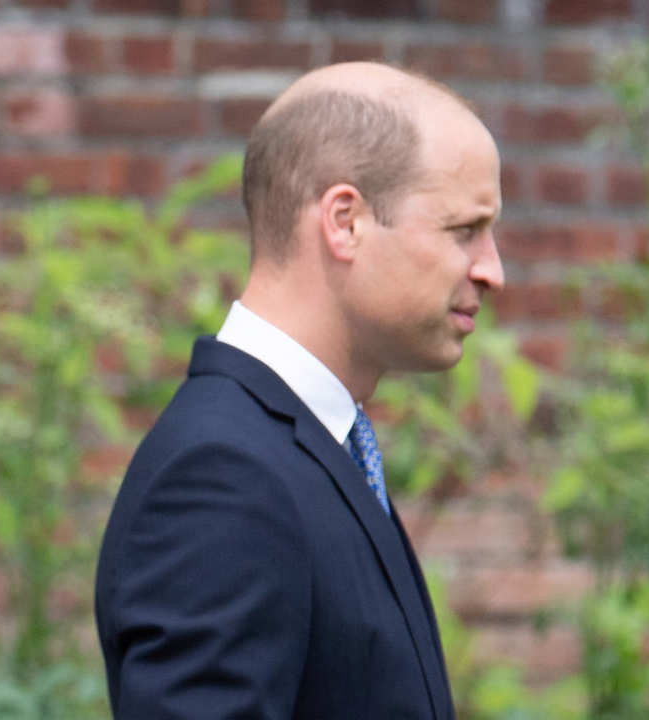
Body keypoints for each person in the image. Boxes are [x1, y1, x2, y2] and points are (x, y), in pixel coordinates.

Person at [94, 61, 504, 719]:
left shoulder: (310, 449)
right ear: (344, 221)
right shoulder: (223, 477)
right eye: (464, 230)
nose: (493, 270)